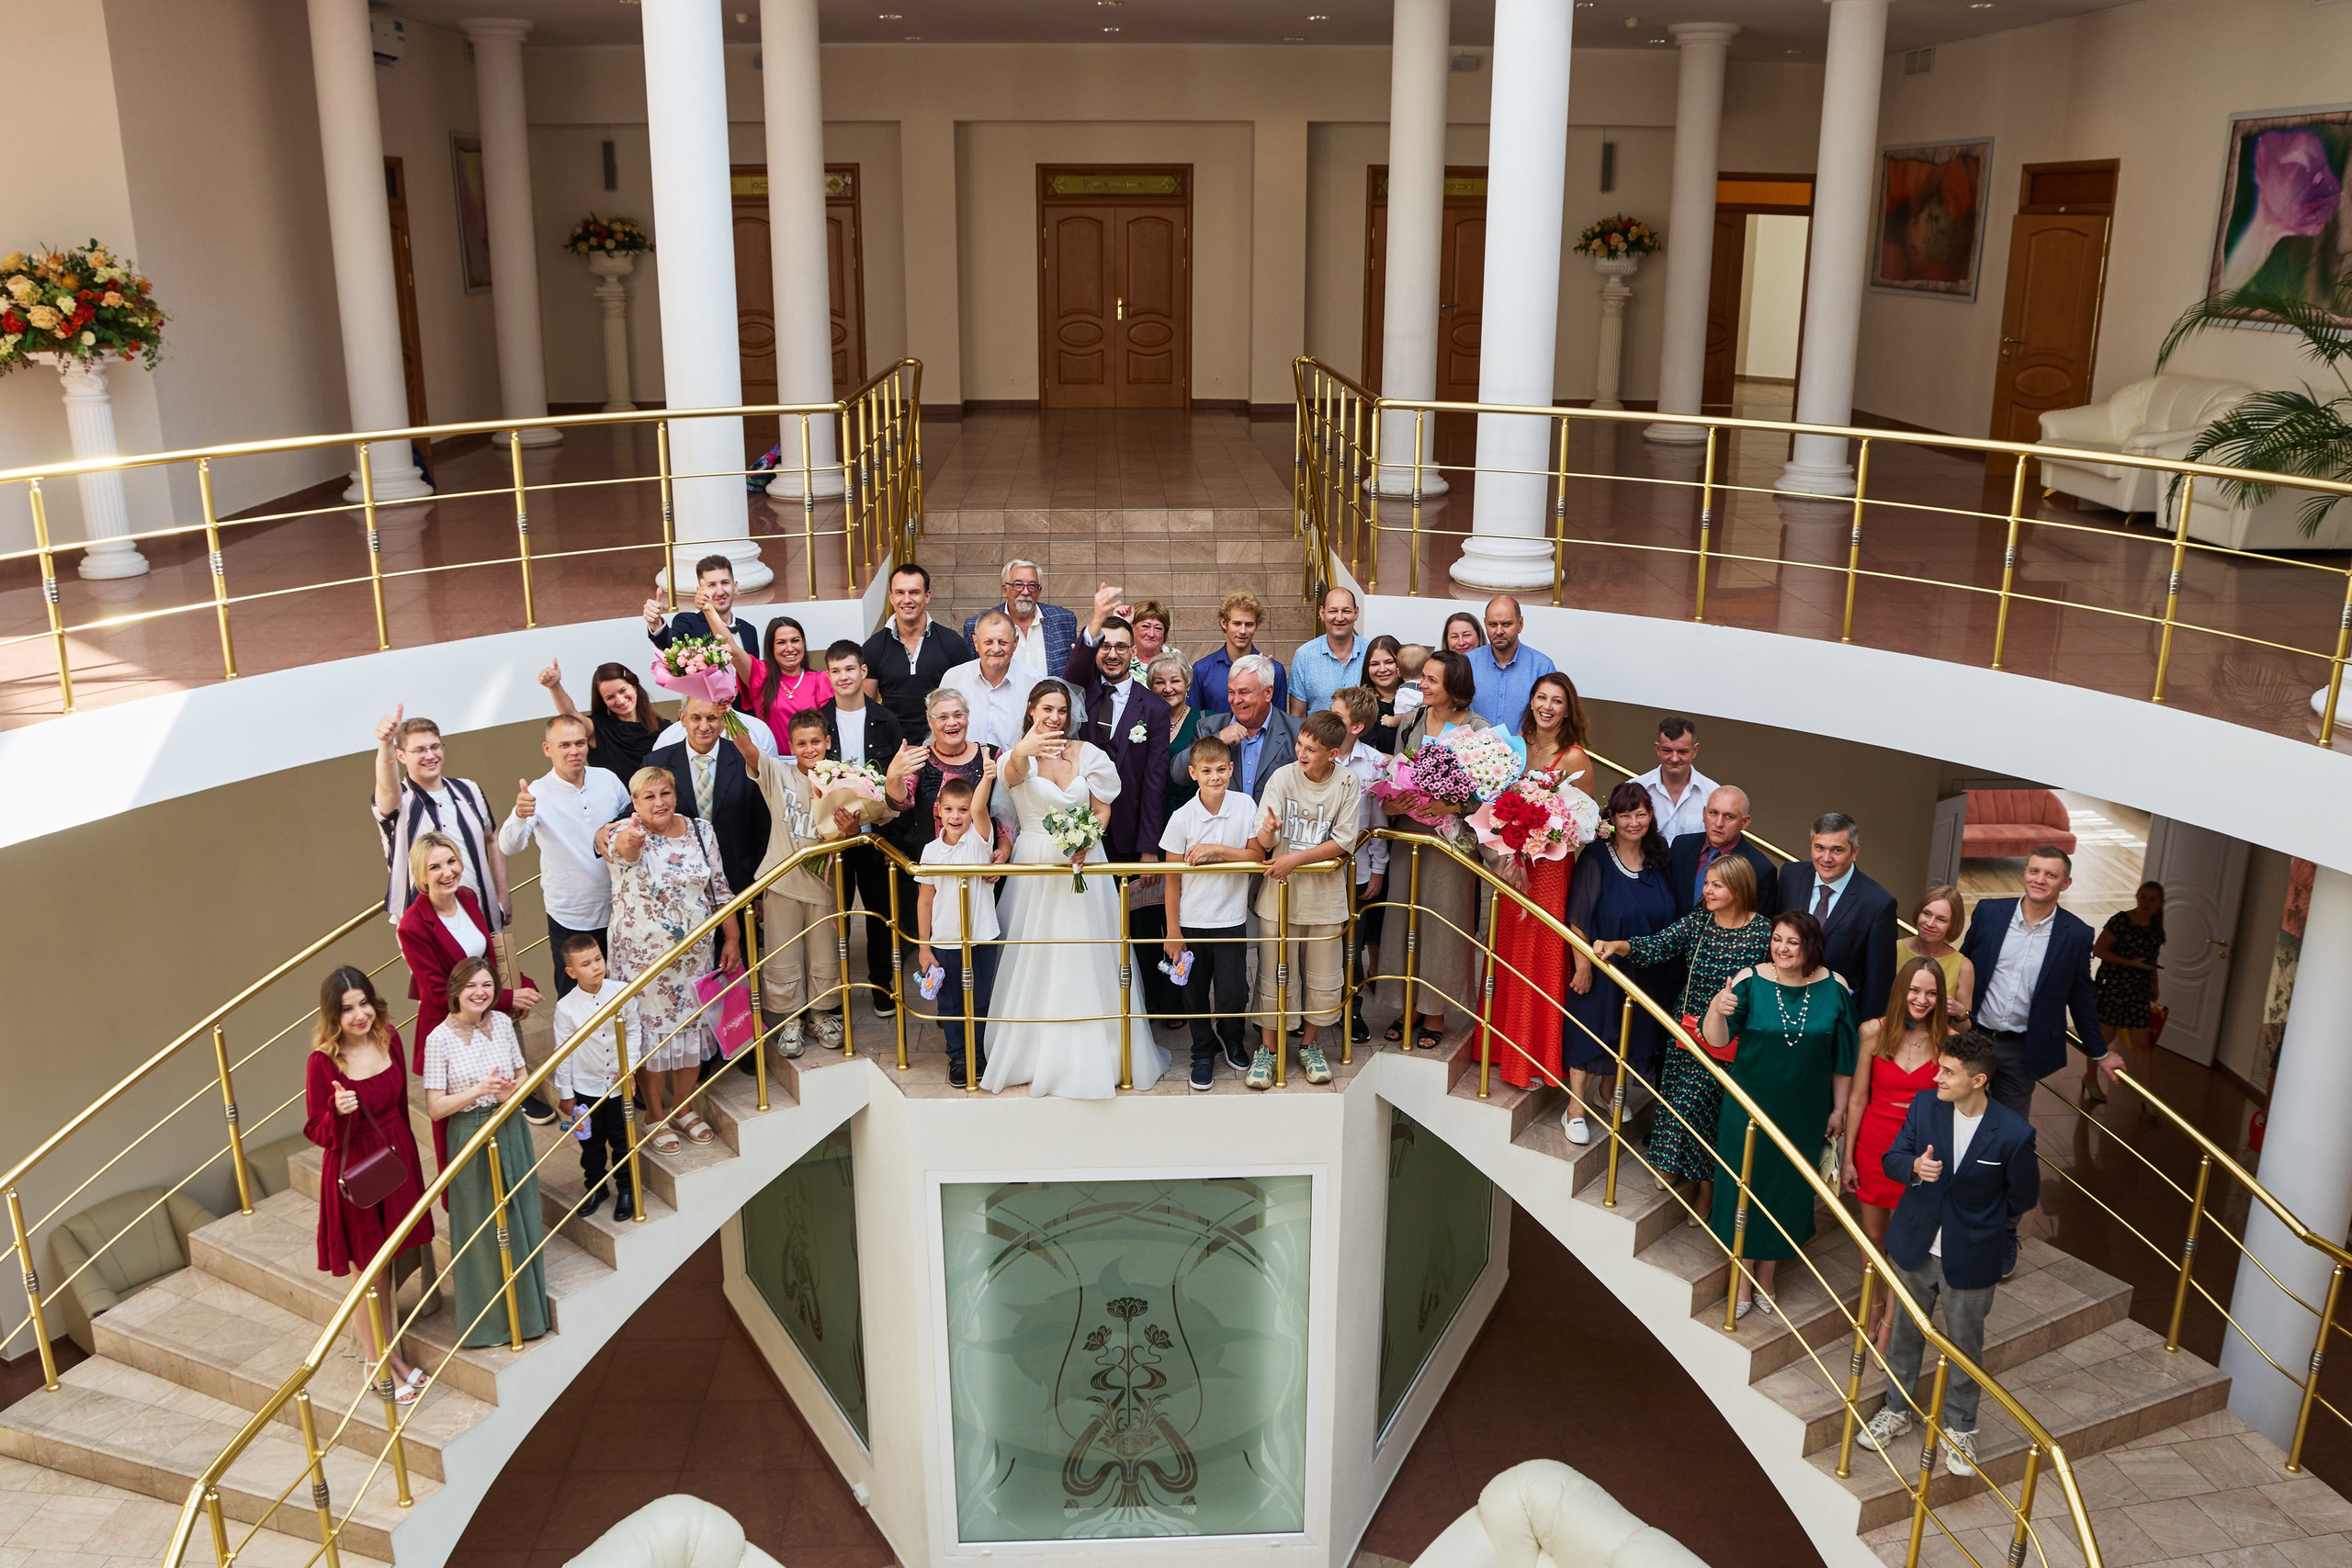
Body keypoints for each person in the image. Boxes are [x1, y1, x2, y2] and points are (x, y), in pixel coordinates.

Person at [1856, 1031, 2039, 1480]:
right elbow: (1892, 1157)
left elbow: (2024, 1196)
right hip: (1914, 1244)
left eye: (1948, 1072)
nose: (1936, 1076)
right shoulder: (1925, 1107)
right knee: (1904, 1336)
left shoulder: (2014, 1133)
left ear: (1977, 1081)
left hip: (1972, 1255)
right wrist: (1915, 1168)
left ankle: (1960, 1428)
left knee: (1964, 1347)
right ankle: (1896, 1409)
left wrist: (1985, 1225)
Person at [982, 682, 1171, 1097]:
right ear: (1032, 710)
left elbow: (1102, 808)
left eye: (1061, 710)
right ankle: (1032, 1049)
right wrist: (1026, 747)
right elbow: (1012, 778)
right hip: (1036, 863)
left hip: (1088, 864)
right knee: (1040, 951)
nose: (1055, 717)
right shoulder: (1016, 758)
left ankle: (1100, 1049)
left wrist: (1089, 838)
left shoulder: (1089, 754)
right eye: (1047, 708)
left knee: (1088, 950)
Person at [1698, 910, 1858, 1318]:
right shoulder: (1749, 980)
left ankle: (1767, 1272)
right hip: (1749, 1107)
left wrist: (1839, 1109)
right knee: (1744, 1185)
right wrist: (1718, 1008)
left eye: (1792, 941)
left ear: (1810, 946)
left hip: (1804, 1111)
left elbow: (1843, 1059)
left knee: (1787, 1189)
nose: (1782, 948)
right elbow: (1716, 1042)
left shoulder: (1835, 988)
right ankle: (1743, 1270)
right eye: (1777, 939)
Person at [1593, 855, 1770, 1198]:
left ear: (1739, 888)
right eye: (1707, 883)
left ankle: (1705, 1190)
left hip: (1732, 1038)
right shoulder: (1699, 922)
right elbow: (1658, 945)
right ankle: (1670, 1166)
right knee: (1676, 1101)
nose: (1707, 891)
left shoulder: (1763, 932)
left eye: (1717, 885)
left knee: (1707, 1110)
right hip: (1687, 1028)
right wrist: (1618, 946)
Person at [304, 966, 433, 1404]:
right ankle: (374, 1365)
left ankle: (391, 1356)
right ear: (332, 1015)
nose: (358, 1015)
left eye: (362, 1003)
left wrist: (408, 1160)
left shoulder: (389, 1038)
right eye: (346, 1009)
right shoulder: (323, 1061)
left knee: (389, 1265)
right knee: (367, 1274)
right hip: (355, 1171)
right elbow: (315, 1132)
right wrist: (336, 1112)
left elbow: (398, 1104)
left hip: (394, 1159)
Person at [604, 767, 741, 1151]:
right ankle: (653, 1115)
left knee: (691, 1029)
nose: (659, 802)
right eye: (648, 796)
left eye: (665, 793)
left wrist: (731, 937)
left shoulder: (701, 830)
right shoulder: (621, 834)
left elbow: (719, 887)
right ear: (634, 803)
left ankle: (682, 1108)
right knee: (652, 1036)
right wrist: (632, 836)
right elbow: (625, 851)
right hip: (642, 960)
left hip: (695, 955)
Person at [422, 958, 552, 1348]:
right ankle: (488, 1325)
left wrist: (511, 1093)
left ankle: (529, 1316)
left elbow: (521, 1070)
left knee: (520, 1213)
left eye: (487, 984)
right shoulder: (438, 1039)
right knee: (480, 1223)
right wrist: (480, 1090)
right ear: (456, 991)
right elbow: (435, 1107)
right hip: (469, 1132)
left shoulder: (501, 1022)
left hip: (509, 1125)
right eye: (472, 986)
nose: (480, 992)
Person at [397, 831, 543, 1160]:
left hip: (486, 1021)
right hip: (449, 1030)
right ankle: (465, 1204)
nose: (447, 872)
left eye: (451, 861)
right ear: (421, 875)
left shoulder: (467, 896)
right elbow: (436, 991)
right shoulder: (412, 926)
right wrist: (506, 999)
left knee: (498, 1105)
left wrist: (521, 985)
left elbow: (487, 958)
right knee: (454, 1135)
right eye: (435, 867)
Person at [1376, 649, 1490, 1052]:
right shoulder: (1413, 721)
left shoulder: (1478, 729)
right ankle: (1406, 1003)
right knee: (1404, 917)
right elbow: (1397, 773)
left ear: (1454, 688)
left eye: (1430, 680)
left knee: (1443, 922)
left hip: (1450, 844)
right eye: (1422, 677)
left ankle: (1436, 1010)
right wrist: (1393, 801)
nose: (1420, 685)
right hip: (1410, 836)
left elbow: (1489, 794)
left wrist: (1451, 805)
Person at [1489, 673, 1595, 1098]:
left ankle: (1534, 1058)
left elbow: (1585, 824)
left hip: (1550, 870)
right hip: (1511, 862)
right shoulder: (1515, 745)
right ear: (1530, 701)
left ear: (1568, 709)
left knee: (1541, 953)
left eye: (1557, 701)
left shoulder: (1574, 758)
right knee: (1509, 948)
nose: (1547, 707)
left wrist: (1542, 833)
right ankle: (1500, 1047)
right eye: (1541, 698)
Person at [1961, 845, 2115, 1129]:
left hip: (2022, 1050)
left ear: (2065, 883)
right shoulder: (1989, 912)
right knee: (1956, 1120)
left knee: (2010, 1132)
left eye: (2050, 875)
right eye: (2034, 871)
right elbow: (1962, 966)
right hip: (1973, 1038)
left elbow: (2081, 998)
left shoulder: (2077, 935)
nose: (2040, 880)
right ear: (2025, 873)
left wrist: (2099, 1052)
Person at [1248, 710, 1363, 1089]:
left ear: (1332, 753)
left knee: (1323, 978)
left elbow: (1344, 842)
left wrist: (1294, 858)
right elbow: (1264, 844)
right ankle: (1270, 1050)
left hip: (1325, 901)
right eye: (1300, 744)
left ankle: (1309, 1046)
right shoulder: (1282, 777)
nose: (1301, 752)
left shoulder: (1347, 782)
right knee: (1274, 976)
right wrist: (1267, 833)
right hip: (1279, 899)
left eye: (1311, 749)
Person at [1841, 957, 1951, 1347]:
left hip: (1918, 1153)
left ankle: (1888, 1321)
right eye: (1915, 990)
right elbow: (1856, 1099)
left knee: (1905, 1243)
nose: (1921, 999)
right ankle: (1872, 1307)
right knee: (1872, 1238)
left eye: (1931, 993)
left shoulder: (1946, 1042)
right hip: (1872, 1145)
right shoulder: (1873, 1031)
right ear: (1901, 989)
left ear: (1941, 997)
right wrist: (1848, 1156)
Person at [740, 709, 862, 1055]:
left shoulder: (845, 781)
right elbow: (746, 748)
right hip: (781, 884)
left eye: (815, 742)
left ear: (828, 742)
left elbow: (853, 832)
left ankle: (821, 1014)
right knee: (783, 955)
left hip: (825, 886)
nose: (809, 749)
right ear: (790, 746)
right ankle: (790, 1018)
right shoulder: (777, 773)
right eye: (801, 743)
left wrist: (851, 828)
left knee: (825, 955)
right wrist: (725, 713)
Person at [1564, 784, 1678, 1145]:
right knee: (1591, 1030)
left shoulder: (1659, 855)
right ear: (1611, 818)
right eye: (1625, 815)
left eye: (1641, 814)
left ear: (1650, 815)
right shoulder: (1597, 857)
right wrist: (1582, 965)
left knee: (1630, 1034)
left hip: (1645, 965)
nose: (1633, 822)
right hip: (1601, 966)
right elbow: (1578, 918)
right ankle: (1575, 1109)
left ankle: (1607, 1092)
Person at [498, 715, 631, 997]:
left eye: (580, 743)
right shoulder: (536, 792)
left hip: (621, 910)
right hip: (569, 917)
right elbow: (509, 846)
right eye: (565, 745)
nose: (574, 751)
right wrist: (521, 816)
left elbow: (630, 821)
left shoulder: (607, 779)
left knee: (624, 994)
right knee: (575, 999)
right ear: (548, 749)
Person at [812, 639, 910, 1019]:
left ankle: (882, 985)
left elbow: (893, 779)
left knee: (879, 914)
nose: (843, 677)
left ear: (863, 671)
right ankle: (834, 993)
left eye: (850, 669)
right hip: (835, 837)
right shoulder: (820, 719)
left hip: (876, 835)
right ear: (829, 675)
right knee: (837, 916)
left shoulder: (886, 720)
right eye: (835, 670)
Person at [1160, 735, 1263, 1089]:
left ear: (1231, 769)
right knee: (1194, 991)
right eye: (1206, 771)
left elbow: (1256, 856)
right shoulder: (1181, 817)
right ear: (1193, 773)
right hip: (1191, 921)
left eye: (1221, 769)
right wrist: (1173, 932)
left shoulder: (1245, 805)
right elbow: (1171, 879)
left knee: (1234, 991)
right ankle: (1202, 1051)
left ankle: (1232, 1036)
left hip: (1231, 918)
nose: (1215, 777)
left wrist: (1217, 850)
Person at [371, 707, 509, 937]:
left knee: (493, 974)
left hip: (482, 914)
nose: (430, 755)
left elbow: (493, 838)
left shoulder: (469, 790)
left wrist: (503, 897)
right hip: (427, 927)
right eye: (419, 750)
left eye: (435, 747)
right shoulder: (399, 799)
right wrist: (385, 744)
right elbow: (386, 786)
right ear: (401, 756)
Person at [1067, 586, 1172, 862]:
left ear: (1133, 652)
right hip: (1077, 827)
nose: (1112, 654)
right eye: (1105, 646)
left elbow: (1154, 781)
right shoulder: (1082, 690)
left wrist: (1149, 846)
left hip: (1129, 832)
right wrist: (1098, 617)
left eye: (1121, 647)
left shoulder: (1155, 708)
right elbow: (1076, 666)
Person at [549, 935, 644, 1222]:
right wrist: (566, 1092)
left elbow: (633, 1030)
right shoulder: (566, 1008)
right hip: (586, 1088)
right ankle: (596, 1186)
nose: (596, 967)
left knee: (621, 1138)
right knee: (590, 1142)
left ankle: (626, 1188)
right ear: (571, 971)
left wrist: (630, 1068)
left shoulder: (622, 991)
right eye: (586, 964)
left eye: (598, 959)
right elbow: (563, 1052)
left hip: (618, 1084)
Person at [1772, 813, 1898, 1023]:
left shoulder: (1877, 903)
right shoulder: (1790, 875)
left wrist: (1860, 1034)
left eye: (1837, 850)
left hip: (1834, 1018)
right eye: (1819, 847)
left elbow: (1878, 984)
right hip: (1778, 1008)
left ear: (1854, 852)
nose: (1826, 858)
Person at [645, 697, 772, 903]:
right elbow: (642, 812)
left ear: (722, 721)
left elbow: (763, 827)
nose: (704, 726)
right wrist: (605, 832)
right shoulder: (657, 763)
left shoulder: (745, 761)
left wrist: (759, 889)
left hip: (739, 885)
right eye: (696, 718)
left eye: (711, 718)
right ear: (682, 718)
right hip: (679, 888)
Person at [918, 772, 1000, 1088]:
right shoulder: (930, 851)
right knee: (950, 1001)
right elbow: (925, 900)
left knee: (979, 999)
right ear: (938, 809)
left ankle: (977, 1052)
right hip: (945, 939)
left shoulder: (980, 841)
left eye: (963, 810)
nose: (956, 816)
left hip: (981, 936)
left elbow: (981, 809)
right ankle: (957, 1055)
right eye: (949, 809)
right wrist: (924, 947)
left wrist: (988, 778)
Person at [1329, 686, 1389, 1045]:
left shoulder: (1375, 764)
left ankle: (1351, 1008)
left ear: (1357, 726)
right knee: (1323, 942)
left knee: (1352, 944)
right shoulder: (1316, 754)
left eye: (1338, 718)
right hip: (1319, 866)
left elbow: (1378, 822)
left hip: (1358, 869)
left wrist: (1378, 868)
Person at [863, 562, 972, 733]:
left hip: (943, 745)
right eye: (900, 593)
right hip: (894, 747)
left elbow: (967, 703)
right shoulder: (873, 648)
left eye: (914, 592)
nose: (907, 600)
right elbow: (866, 708)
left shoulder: (953, 643)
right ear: (891, 597)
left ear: (927, 596)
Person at [1173, 655, 1296, 798]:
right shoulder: (1208, 728)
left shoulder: (1295, 731)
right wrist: (1217, 740)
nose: (1236, 700)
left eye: (1244, 692)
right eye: (1231, 692)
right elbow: (1178, 774)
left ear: (1268, 692)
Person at [2088, 879, 2165, 1101]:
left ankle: (2148, 1095)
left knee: (2143, 1042)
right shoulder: (2121, 920)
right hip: (2114, 987)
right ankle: (2090, 1078)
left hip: (2138, 990)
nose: (2146, 903)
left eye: (2152, 899)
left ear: (2160, 903)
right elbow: (2099, 950)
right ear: (2137, 897)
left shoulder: (2155, 928)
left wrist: (2155, 983)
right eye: (2143, 897)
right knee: (2104, 1038)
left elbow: (2152, 960)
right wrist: (2131, 963)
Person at [540, 658, 664, 780]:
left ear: (635, 686)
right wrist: (555, 686)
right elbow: (571, 715)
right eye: (610, 697)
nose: (620, 700)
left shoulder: (664, 728)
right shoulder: (598, 728)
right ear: (603, 701)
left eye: (623, 690)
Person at [943, 609, 1047, 754]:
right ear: (976, 643)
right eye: (988, 642)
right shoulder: (954, 678)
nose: (996, 649)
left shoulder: (1036, 681)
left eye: (1003, 642)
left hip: (1020, 773)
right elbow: (940, 729)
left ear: (1015, 642)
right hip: (966, 774)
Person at [1666, 785, 1777, 920]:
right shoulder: (1681, 846)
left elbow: (1758, 927)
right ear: (1704, 813)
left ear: (1745, 822)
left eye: (1729, 816)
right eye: (1713, 813)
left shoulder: (1760, 869)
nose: (1719, 823)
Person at [963, 558, 1077, 677]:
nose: (1026, 592)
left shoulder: (1064, 620)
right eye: (1018, 585)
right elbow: (972, 675)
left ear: (1039, 591)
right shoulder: (978, 625)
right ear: (1005, 589)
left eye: (1032, 586)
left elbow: (1074, 671)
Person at [1188, 591, 1290, 715]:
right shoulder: (1202, 670)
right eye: (1237, 624)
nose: (1243, 631)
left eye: (1249, 624)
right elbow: (1195, 722)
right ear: (1224, 623)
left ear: (1256, 626)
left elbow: (1279, 724)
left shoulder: (1275, 671)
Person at [643, 555, 757, 665]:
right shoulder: (689, 623)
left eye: (725, 583)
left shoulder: (749, 631)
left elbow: (755, 676)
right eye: (712, 585)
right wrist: (656, 625)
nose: (720, 592)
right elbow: (669, 644)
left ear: (735, 586)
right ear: (700, 590)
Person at [1466, 595, 1557, 729]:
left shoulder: (1542, 667)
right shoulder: (1468, 663)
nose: (1499, 631)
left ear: (1520, 624)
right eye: (1493, 624)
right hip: (1473, 748)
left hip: (1526, 749)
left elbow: (1552, 715)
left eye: (1506, 624)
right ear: (1485, 623)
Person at [1634, 716, 1719, 849]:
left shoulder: (1713, 794)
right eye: (1667, 751)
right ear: (1657, 749)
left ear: (1694, 751)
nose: (1674, 758)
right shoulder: (1635, 788)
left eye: (1682, 751)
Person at [1901, 886, 1977, 1024]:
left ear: (1953, 925)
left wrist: (1961, 1013)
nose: (1930, 924)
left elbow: (1963, 1030)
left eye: (1941, 919)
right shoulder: (1893, 950)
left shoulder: (1963, 967)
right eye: (1926, 913)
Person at [745, 615, 831, 738]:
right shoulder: (761, 675)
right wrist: (709, 610)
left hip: (813, 755)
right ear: (771, 647)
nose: (790, 648)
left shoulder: (820, 679)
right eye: (781, 642)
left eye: (795, 641)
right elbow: (733, 649)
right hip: (771, 755)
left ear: (803, 642)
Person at [1288, 586, 1365, 716]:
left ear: (1356, 613)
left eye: (1346, 611)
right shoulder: (1304, 656)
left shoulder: (1371, 652)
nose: (1339, 618)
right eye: (1333, 611)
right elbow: (1297, 716)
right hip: (1318, 736)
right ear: (1322, 613)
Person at [1148, 652, 1200, 816]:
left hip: (1193, 815)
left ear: (1187, 684)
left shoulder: (1206, 721)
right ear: (1151, 687)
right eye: (1160, 682)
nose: (1168, 688)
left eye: (1175, 681)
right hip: (1151, 815)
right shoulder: (1142, 722)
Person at [1362, 635, 1409, 754]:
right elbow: (1371, 756)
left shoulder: (1417, 698)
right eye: (1374, 664)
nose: (1382, 669)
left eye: (1389, 662)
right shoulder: (1362, 705)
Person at [1130, 600, 1177, 664]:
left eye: (1158, 628)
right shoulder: (1121, 658)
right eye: (1145, 626)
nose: (1151, 634)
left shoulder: (1176, 658)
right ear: (1131, 628)